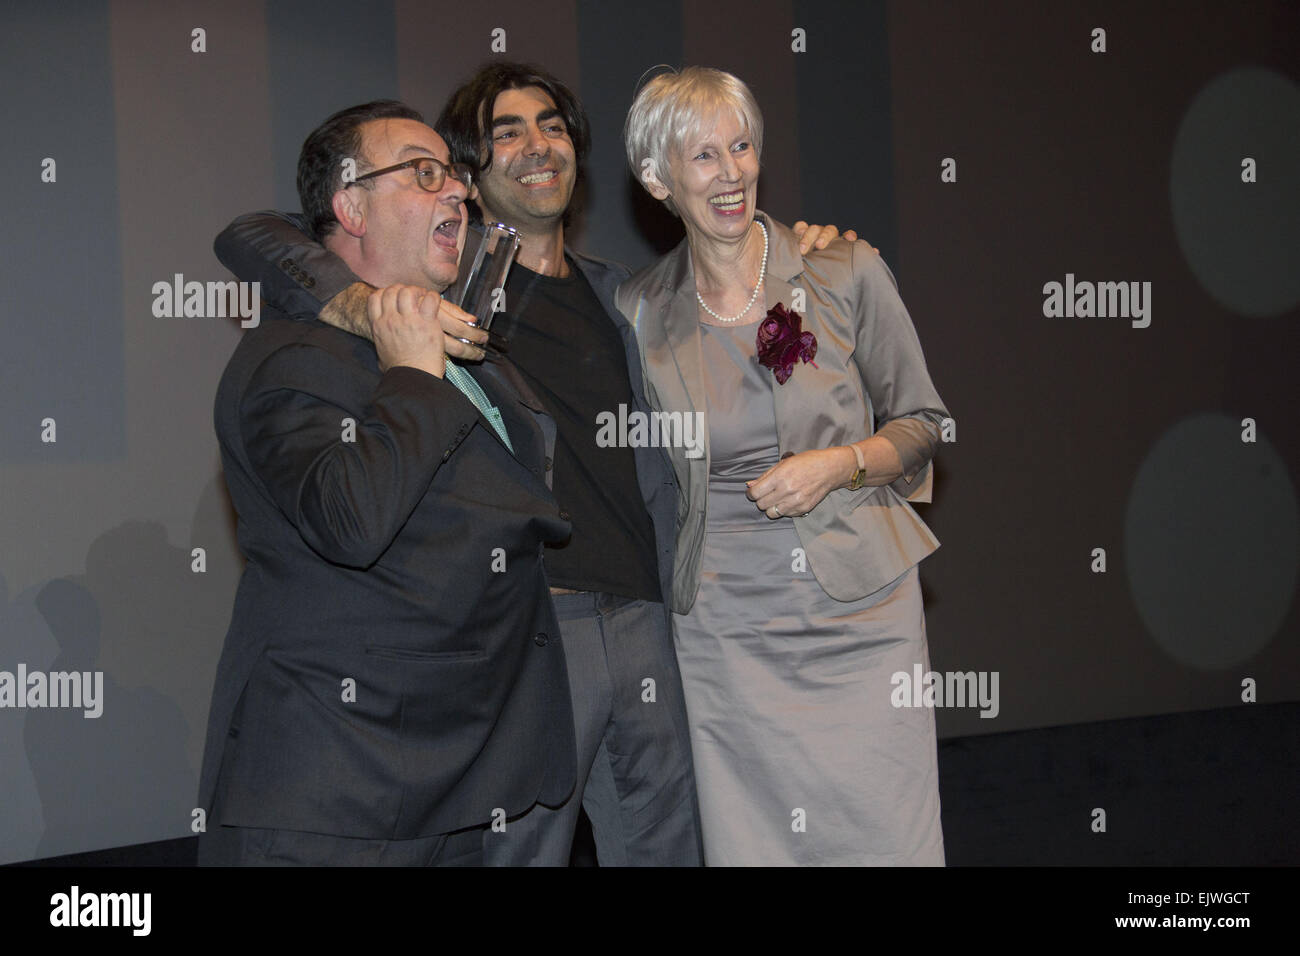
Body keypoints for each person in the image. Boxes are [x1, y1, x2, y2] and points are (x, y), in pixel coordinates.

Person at [212, 62, 851, 866]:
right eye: (504, 132)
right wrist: (357, 298)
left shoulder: (632, 298)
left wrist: (807, 251)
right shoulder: (455, 294)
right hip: (537, 624)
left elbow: (743, 282)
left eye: (551, 125)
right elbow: (254, 234)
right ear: (472, 176)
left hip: (647, 615)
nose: (537, 144)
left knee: (669, 845)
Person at [198, 100, 576, 865]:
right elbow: (351, 519)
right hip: (340, 796)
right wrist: (409, 371)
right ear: (349, 204)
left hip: (456, 785)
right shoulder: (290, 359)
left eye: (457, 178)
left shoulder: (467, 348)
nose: (459, 194)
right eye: (424, 173)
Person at [617, 67, 950, 865]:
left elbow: (925, 423)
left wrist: (841, 463)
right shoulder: (637, 310)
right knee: (757, 841)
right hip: (727, 632)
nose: (731, 172)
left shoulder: (843, 271)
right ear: (658, 179)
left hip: (861, 616)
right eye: (703, 157)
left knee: (887, 835)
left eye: (741, 146)